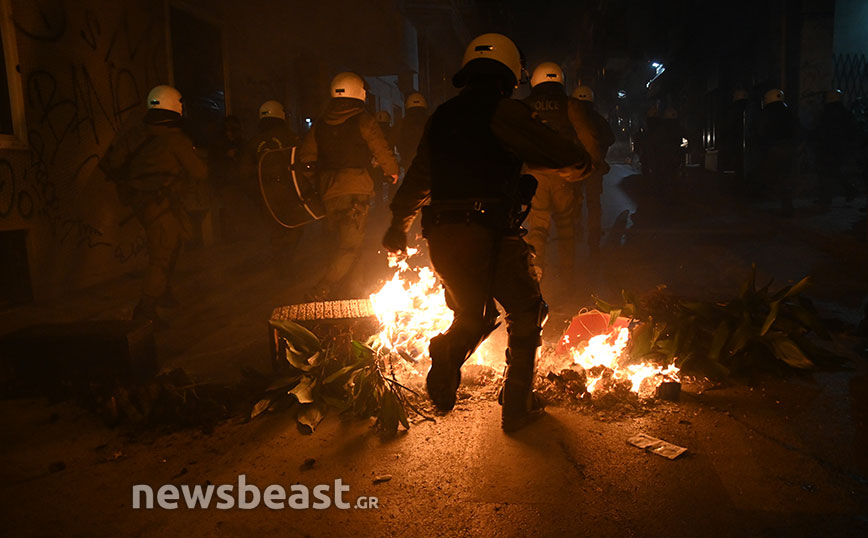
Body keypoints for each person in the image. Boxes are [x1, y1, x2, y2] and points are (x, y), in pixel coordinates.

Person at [382, 34, 590, 432]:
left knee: (473, 315)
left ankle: (448, 350)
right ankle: (517, 405)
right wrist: (578, 165)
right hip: (489, 231)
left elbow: (418, 179)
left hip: (441, 234)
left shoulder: (441, 116)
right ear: (510, 74)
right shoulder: (504, 112)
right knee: (527, 311)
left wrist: (396, 226)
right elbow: (562, 153)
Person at [100, 85, 207, 326]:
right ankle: (145, 310)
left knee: (174, 242)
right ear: (175, 107)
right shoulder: (176, 140)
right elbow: (199, 172)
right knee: (162, 255)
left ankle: (164, 291)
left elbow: (112, 163)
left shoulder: (136, 134)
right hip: (161, 205)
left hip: (143, 204)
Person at [299, 72, 399, 299]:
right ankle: (324, 287)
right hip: (356, 189)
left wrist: (318, 182)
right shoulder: (364, 120)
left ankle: (352, 292)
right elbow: (380, 148)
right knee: (350, 246)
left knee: (338, 242)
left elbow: (306, 158)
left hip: (328, 190)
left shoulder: (321, 124)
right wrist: (391, 171)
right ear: (359, 93)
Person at [241, 100, 303, 276]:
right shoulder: (289, 136)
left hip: (265, 192)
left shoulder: (253, 141)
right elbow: (300, 160)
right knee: (295, 225)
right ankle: (286, 262)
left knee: (274, 228)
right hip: (288, 190)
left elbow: (244, 171)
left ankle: (280, 263)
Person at [570, 85, 614, 260]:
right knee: (594, 204)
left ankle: (574, 231)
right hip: (594, 168)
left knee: (574, 200)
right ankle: (594, 240)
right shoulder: (598, 119)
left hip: (574, 167)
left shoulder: (570, 118)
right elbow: (610, 138)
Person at [811, 89, 858, 206]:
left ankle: (827, 198)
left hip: (828, 147)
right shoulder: (845, 113)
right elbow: (852, 131)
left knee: (826, 172)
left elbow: (821, 130)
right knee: (833, 171)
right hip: (840, 148)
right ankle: (848, 190)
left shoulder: (827, 112)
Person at [757, 88, 799, 216]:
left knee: (774, 176)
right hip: (789, 148)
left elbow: (763, 132)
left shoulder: (768, 113)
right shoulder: (788, 111)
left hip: (775, 149)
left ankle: (784, 206)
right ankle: (787, 206)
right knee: (786, 177)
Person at [395, 92, 429, 172]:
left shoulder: (402, 123)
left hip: (409, 163)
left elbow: (392, 141)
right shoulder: (431, 121)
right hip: (428, 163)